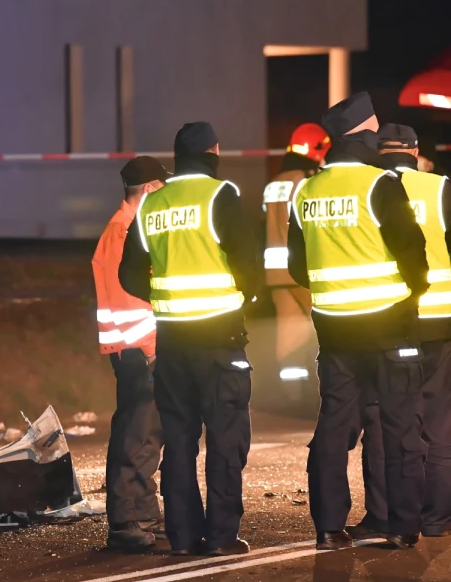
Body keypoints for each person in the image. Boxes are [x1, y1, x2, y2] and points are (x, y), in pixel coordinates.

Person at [287, 94, 429, 550]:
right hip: (388, 325)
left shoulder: (306, 191)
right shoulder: (380, 184)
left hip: (334, 329)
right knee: (398, 426)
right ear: (365, 137)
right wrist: (410, 296)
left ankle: (328, 527)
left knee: (333, 426)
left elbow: (297, 266)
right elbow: (413, 255)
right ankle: (403, 526)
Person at [119, 123, 262, 556]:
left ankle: (182, 536)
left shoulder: (152, 204)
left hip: (173, 341)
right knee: (225, 439)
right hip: (219, 338)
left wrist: (165, 298)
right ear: (214, 152)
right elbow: (249, 266)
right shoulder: (222, 195)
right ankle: (221, 538)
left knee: (179, 443)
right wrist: (242, 298)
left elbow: (129, 275)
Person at [352, 124, 451, 540]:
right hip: (440, 319)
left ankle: (385, 513)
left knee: (383, 420)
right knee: (440, 421)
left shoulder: (367, 187)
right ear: (414, 152)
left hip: (387, 321)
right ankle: (437, 518)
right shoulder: (440, 188)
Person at [93, 156, 168, 551]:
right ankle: (126, 521)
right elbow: (130, 297)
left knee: (147, 433)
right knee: (135, 434)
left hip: (134, 346)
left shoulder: (124, 227)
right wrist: (152, 348)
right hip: (137, 347)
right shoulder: (124, 231)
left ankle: (143, 514)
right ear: (151, 189)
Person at [263, 124, 328, 385]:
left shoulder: (274, 184)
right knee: (321, 330)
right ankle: (316, 390)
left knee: (288, 335)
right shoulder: (306, 181)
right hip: (303, 268)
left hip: (275, 274)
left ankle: (290, 392)